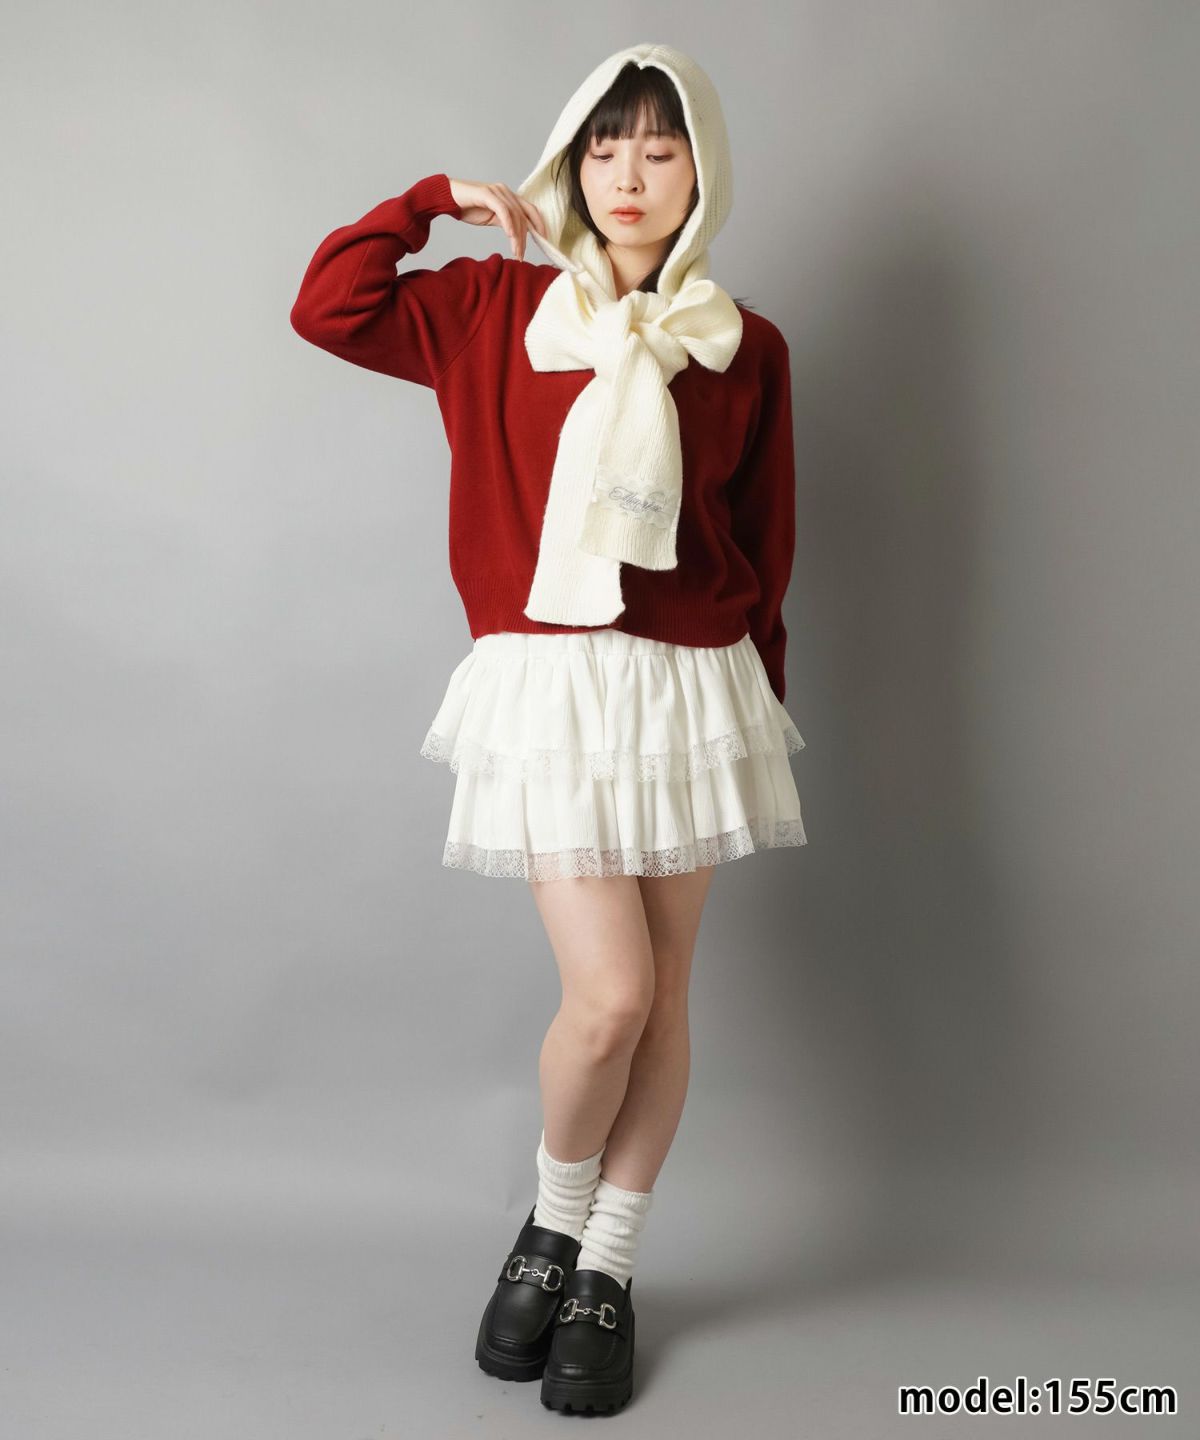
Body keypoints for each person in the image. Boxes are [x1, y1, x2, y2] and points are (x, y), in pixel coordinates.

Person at [290, 41, 807, 1415]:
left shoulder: (742, 344)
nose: (628, 174)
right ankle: (550, 1225)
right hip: (553, 685)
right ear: (573, 165)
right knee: (610, 999)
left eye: (659, 148)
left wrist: (757, 696)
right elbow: (328, 307)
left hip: (691, 687)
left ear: (701, 173)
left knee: (666, 998)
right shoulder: (492, 308)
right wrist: (429, 200)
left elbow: (764, 542)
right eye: (603, 146)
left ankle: (605, 1270)